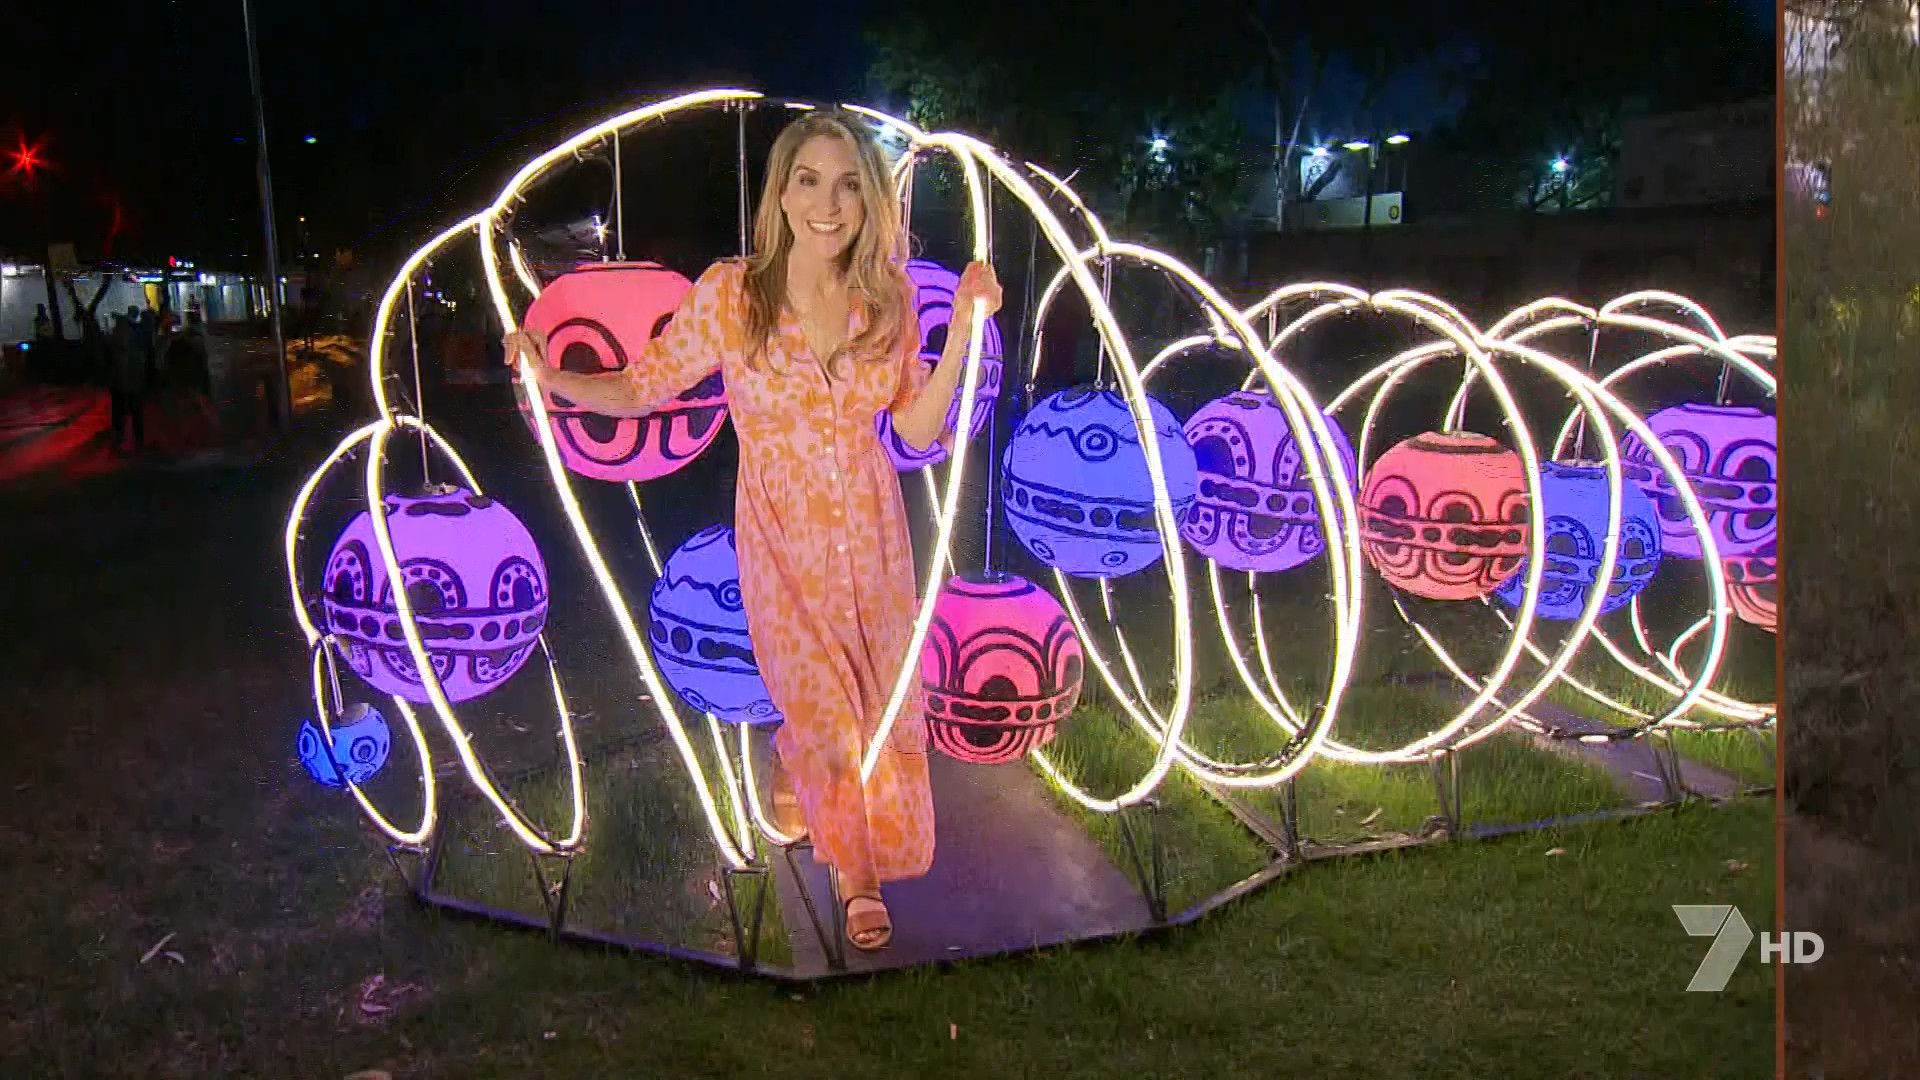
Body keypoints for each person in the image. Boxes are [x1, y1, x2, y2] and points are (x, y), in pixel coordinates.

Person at [505, 108, 1001, 952]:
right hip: (782, 538)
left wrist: (961, 329)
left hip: (874, 536)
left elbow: (917, 428)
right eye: (808, 181)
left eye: (848, 184)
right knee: (830, 719)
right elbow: (643, 387)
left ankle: (793, 764)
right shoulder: (734, 296)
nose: (828, 204)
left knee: (875, 705)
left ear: (870, 200)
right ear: (780, 193)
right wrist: (549, 374)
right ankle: (857, 876)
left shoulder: (885, 301)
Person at [107, 311, 150, 453]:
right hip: (125, 386)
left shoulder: (129, 350)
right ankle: (127, 442)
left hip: (128, 386)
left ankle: (130, 442)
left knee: (129, 414)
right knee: (126, 414)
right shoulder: (128, 349)